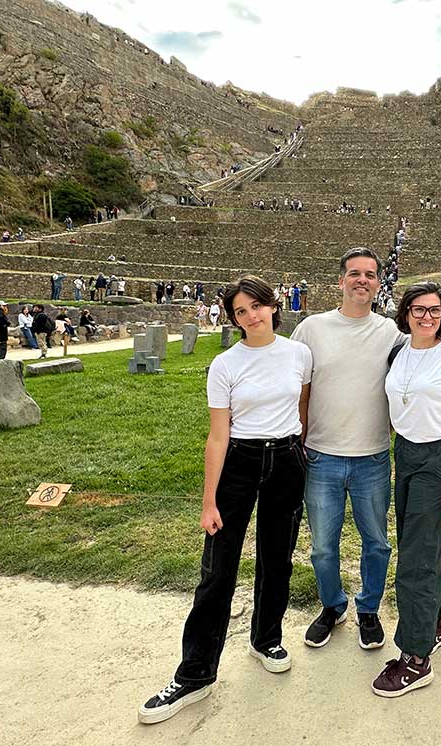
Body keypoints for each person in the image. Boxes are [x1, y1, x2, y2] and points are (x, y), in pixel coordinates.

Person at [138, 275, 312, 725]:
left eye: (257, 306)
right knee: (217, 571)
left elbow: (302, 410)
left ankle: (266, 638)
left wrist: (299, 453)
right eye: (241, 311)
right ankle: (195, 672)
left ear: (273, 306)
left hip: (288, 458)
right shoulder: (226, 364)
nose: (252, 316)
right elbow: (217, 437)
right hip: (239, 460)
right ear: (234, 319)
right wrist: (208, 501)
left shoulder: (298, 353)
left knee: (277, 560)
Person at [290, 248, 441, 652]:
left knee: (376, 542)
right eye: (354, 273)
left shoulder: (392, 336)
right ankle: (332, 605)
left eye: (371, 274)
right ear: (340, 280)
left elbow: (430, 346)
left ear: (379, 283)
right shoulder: (310, 329)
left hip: (374, 457)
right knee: (323, 546)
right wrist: (298, 440)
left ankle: (368, 610)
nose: (363, 280)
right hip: (322, 454)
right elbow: (297, 388)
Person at [371, 282, 441, 697]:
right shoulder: (399, 352)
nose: (427, 318)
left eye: (435, 311)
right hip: (408, 454)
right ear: (405, 313)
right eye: (419, 310)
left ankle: (416, 658)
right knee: (425, 544)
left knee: (416, 559)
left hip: (440, 458)